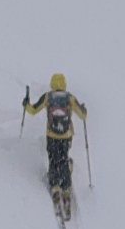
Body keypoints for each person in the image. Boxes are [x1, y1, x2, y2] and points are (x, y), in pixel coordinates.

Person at [24, 73, 87, 217]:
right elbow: (82, 116)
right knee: (64, 158)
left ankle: (55, 188)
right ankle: (65, 190)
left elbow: (32, 110)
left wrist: (25, 103)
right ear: (64, 84)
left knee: (53, 159)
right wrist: (84, 109)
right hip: (66, 136)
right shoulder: (70, 97)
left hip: (51, 135)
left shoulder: (48, 97)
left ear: (52, 83)